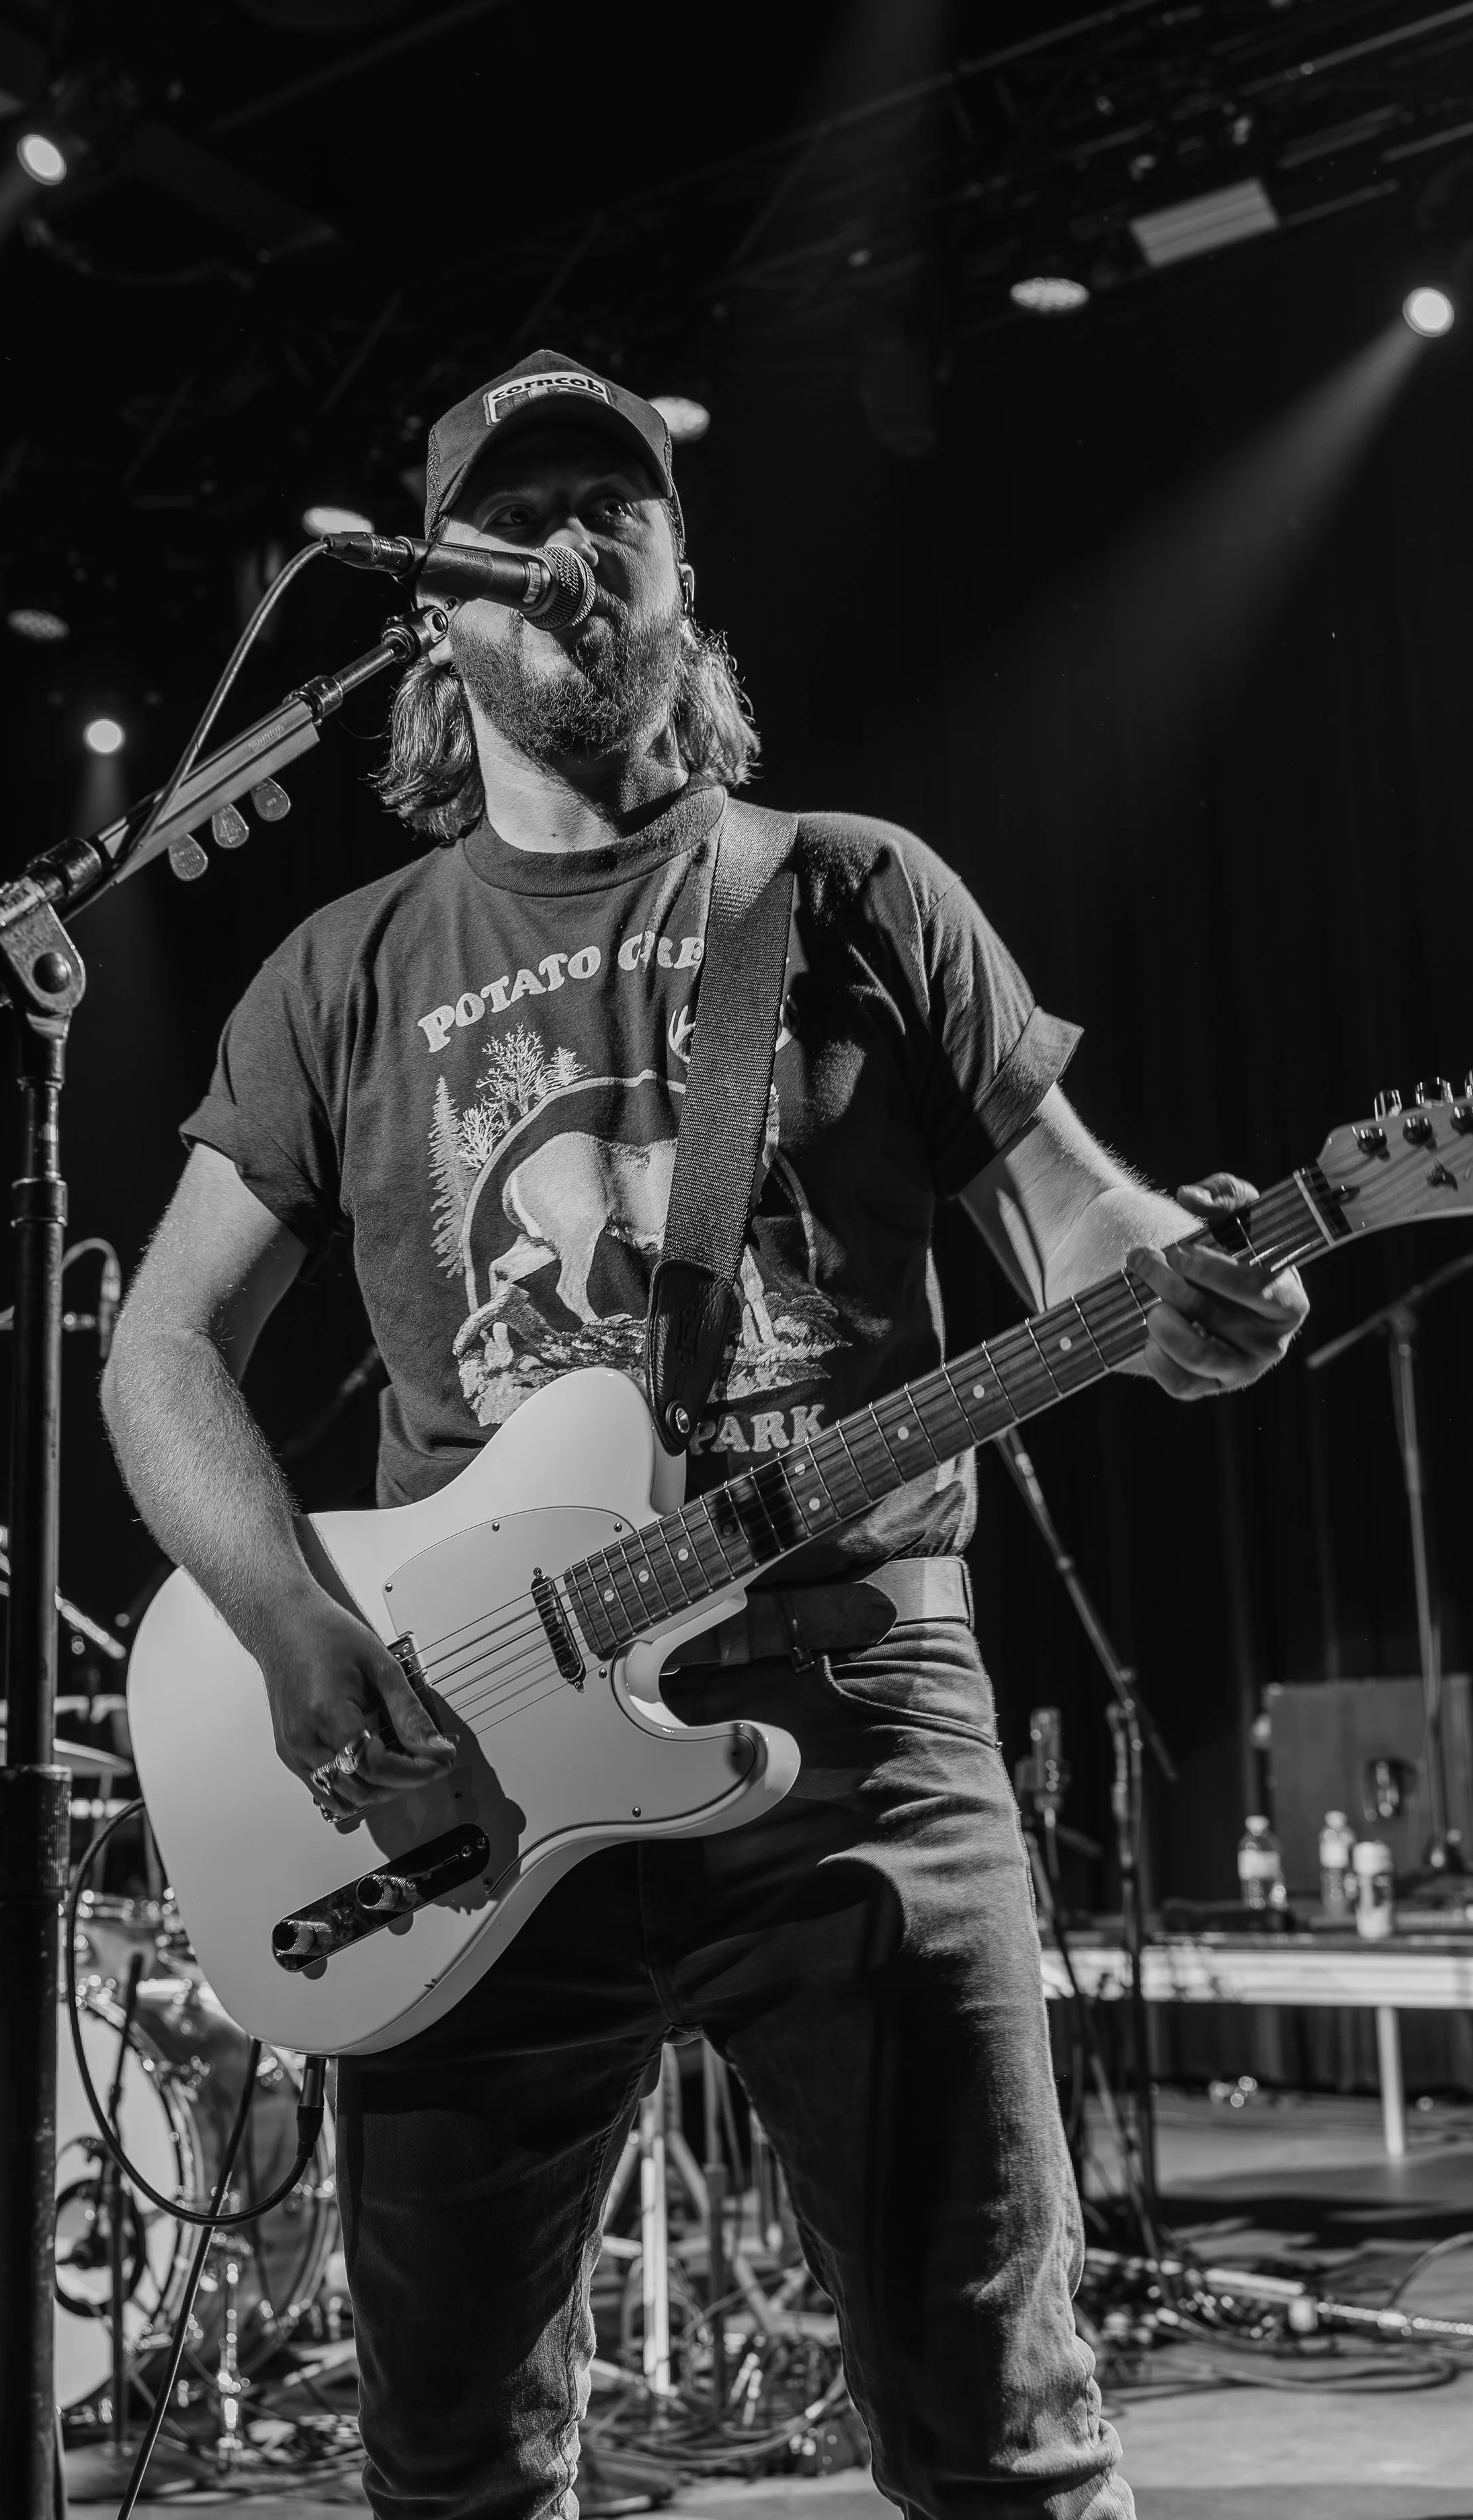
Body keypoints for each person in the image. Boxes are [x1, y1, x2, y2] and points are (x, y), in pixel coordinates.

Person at [102, 350, 1308, 2520]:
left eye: (615, 508)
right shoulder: (341, 971)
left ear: (681, 573)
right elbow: (158, 1350)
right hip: (464, 1760)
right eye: (513, 518)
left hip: (859, 1728)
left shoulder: (845, 887)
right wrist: (294, 1626)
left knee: (1004, 2444)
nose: (566, 545)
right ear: (435, 609)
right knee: (450, 2466)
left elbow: (1082, 1222)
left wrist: (1189, 1277)